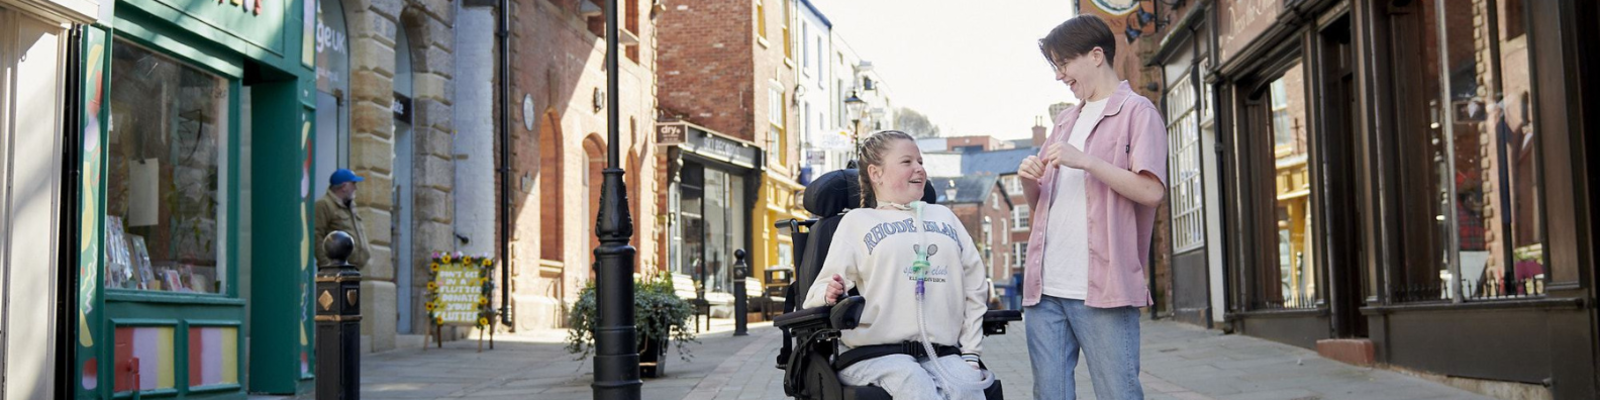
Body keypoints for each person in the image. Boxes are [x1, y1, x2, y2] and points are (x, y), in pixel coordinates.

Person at [1017, 15, 1169, 400]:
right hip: (1045, 289)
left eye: (1063, 64)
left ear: (1096, 55)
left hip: (1103, 289)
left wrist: (1087, 161)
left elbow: (1151, 192)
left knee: (1118, 392)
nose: (1059, 75)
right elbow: (1042, 208)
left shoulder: (1138, 113)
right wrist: (1027, 181)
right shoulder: (1065, 121)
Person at [803, 130, 993, 400]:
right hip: (875, 354)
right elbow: (817, 291)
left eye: (921, 162)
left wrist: (971, 353)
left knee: (967, 387)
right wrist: (828, 293)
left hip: (939, 352)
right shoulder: (857, 222)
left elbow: (975, 287)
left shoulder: (945, 217)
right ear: (876, 173)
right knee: (916, 386)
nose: (919, 169)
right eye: (907, 162)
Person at [315, 168, 372, 269]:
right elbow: (316, 236)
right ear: (344, 186)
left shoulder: (349, 205)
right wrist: (328, 266)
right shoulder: (324, 204)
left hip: (352, 269)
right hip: (336, 271)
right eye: (353, 184)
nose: (356, 188)